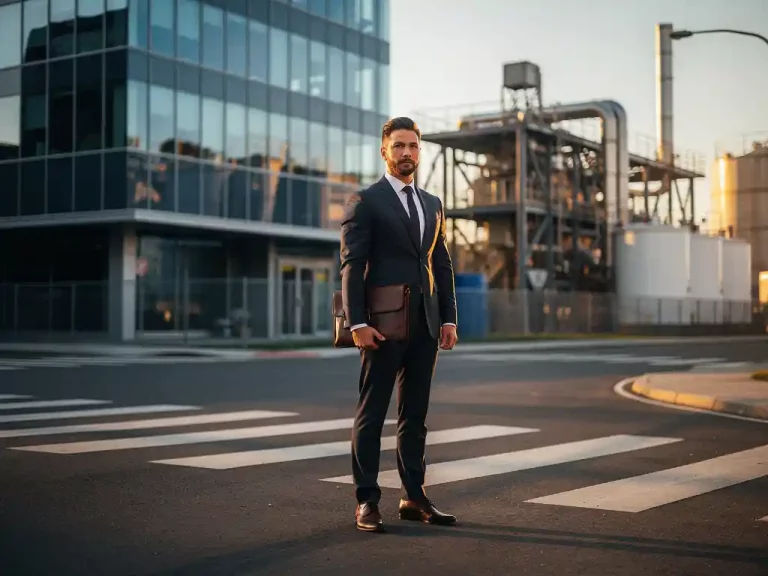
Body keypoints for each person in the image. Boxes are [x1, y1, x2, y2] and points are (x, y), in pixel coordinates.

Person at [339, 116, 459, 533]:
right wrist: (356, 323)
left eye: (413, 146)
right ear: (384, 151)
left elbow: (440, 263)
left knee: (415, 416)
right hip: (382, 326)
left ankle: (414, 497)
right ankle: (366, 502)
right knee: (371, 415)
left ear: (419, 151)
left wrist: (448, 318)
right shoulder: (365, 201)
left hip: (426, 325)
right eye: (399, 146)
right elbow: (352, 266)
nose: (407, 152)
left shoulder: (433, 204)